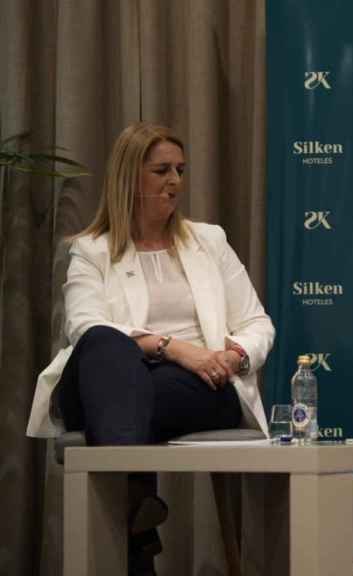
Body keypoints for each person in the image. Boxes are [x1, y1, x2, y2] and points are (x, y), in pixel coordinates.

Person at [26, 122, 275, 575]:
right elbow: (85, 325)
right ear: (129, 177)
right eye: (161, 170)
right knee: (107, 345)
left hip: (199, 386)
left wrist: (233, 354)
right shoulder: (91, 250)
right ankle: (136, 506)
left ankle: (134, 520)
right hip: (107, 377)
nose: (175, 181)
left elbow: (257, 322)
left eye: (180, 170)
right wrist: (172, 347)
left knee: (137, 388)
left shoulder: (209, 241)